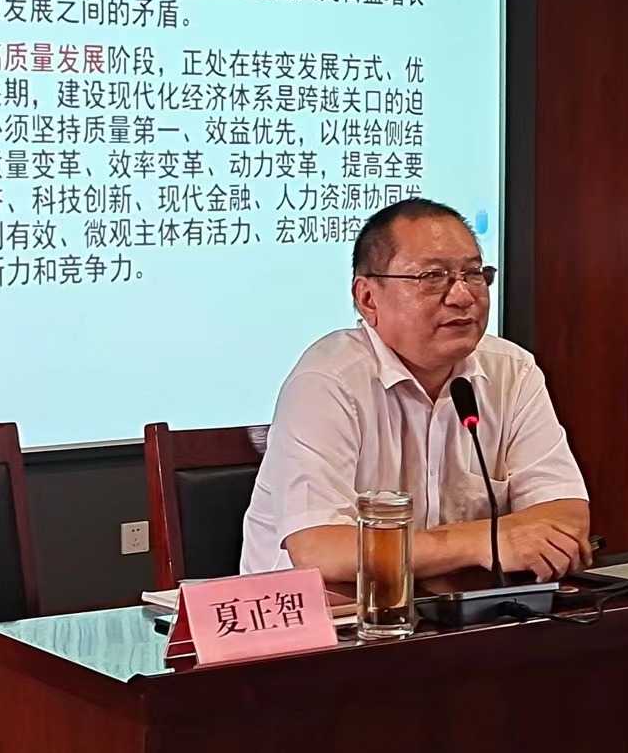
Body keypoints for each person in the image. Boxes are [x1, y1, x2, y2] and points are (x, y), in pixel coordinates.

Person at [239, 197, 593, 581]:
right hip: (327, 615)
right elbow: (321, 551)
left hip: (459, 609)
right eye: (432, 277)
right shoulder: (328, 381)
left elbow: (566, 517)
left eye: (473, 274)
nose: (462, 296)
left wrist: (451, 551)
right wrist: (485, 542)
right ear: (367, 298)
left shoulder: (512, 370)